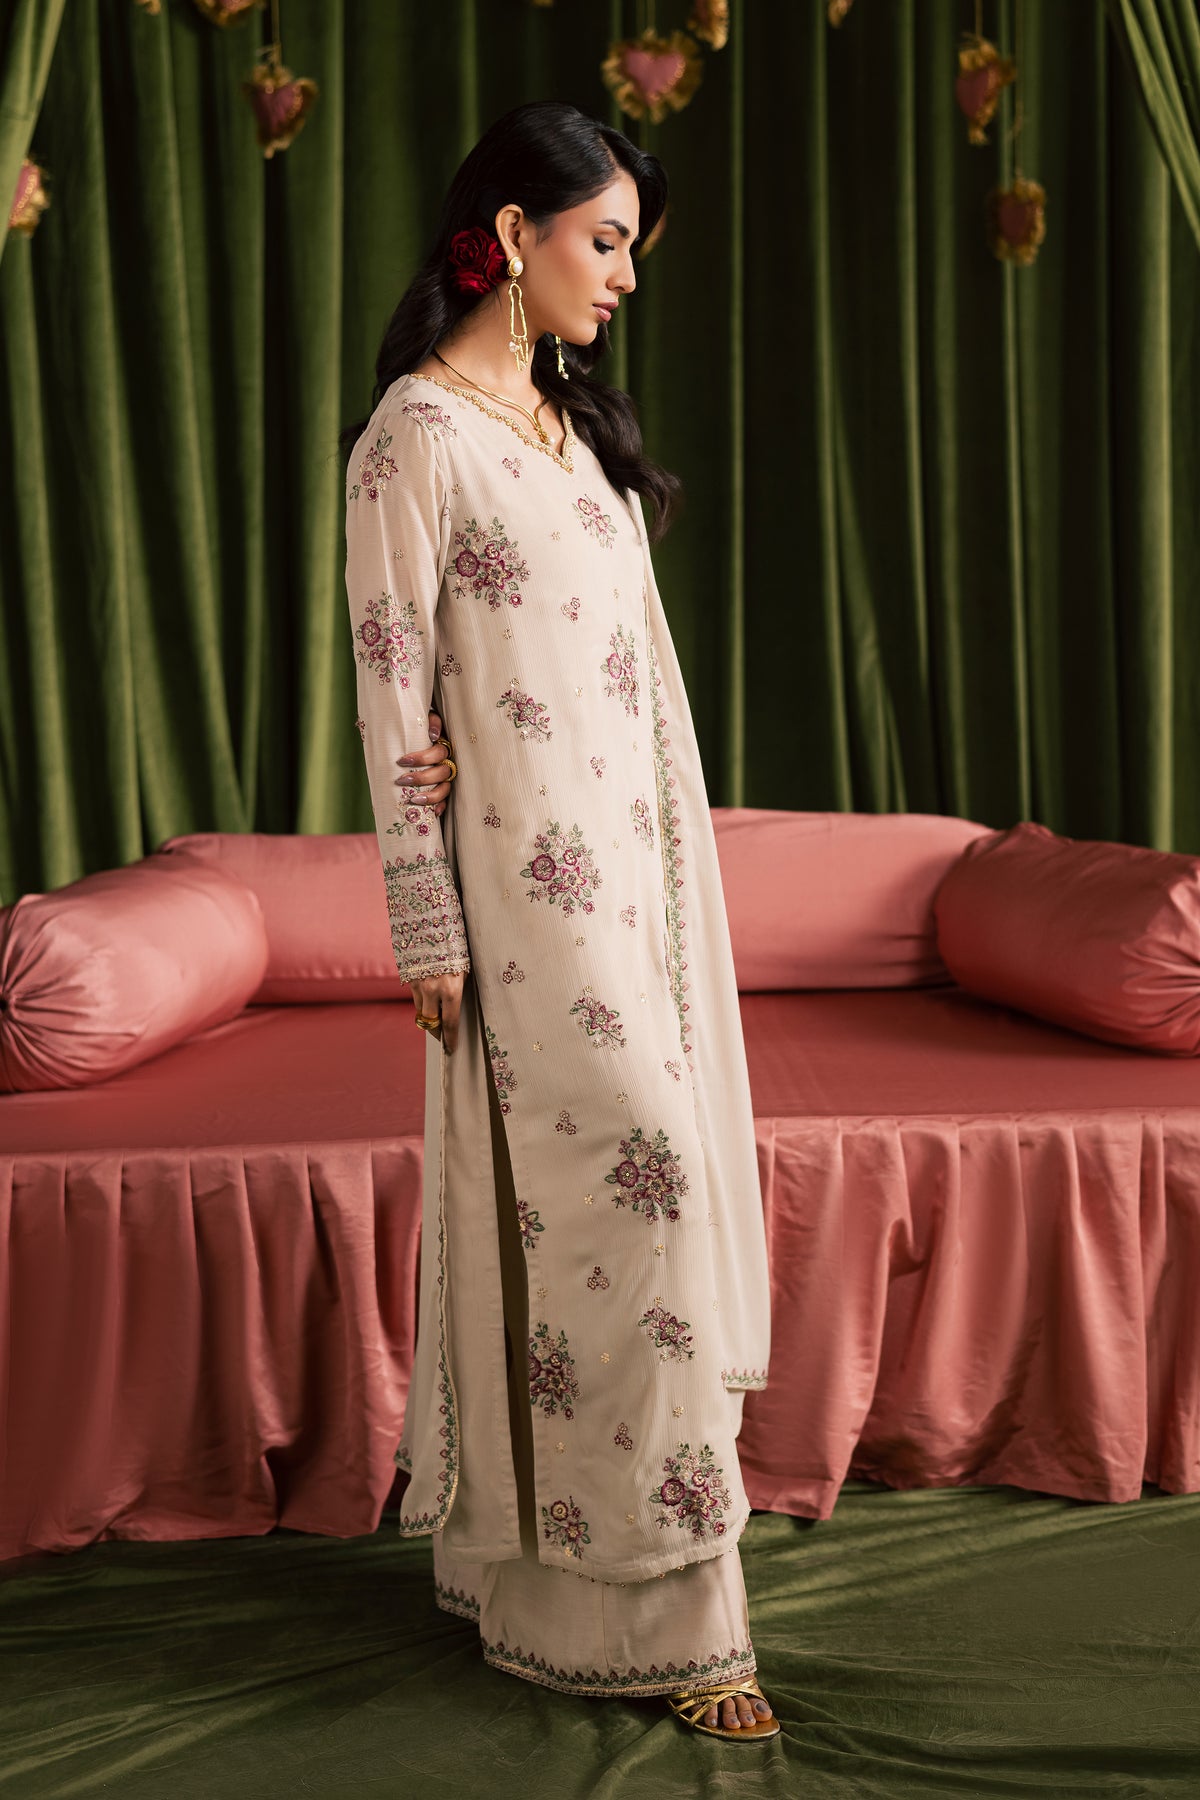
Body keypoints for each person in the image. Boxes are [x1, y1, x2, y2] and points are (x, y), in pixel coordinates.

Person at [342, 99, 778, 1743]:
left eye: (632, 250)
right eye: (605, 241)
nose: (626, 277)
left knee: (632, 1212)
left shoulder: (568, 433)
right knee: (635, 1192)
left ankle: (555, 1594)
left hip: (636, 894)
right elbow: (394, 689)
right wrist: (425, 919)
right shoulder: (415, 438)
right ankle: (676, 1613)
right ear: (512, 235)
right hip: (520, 906)